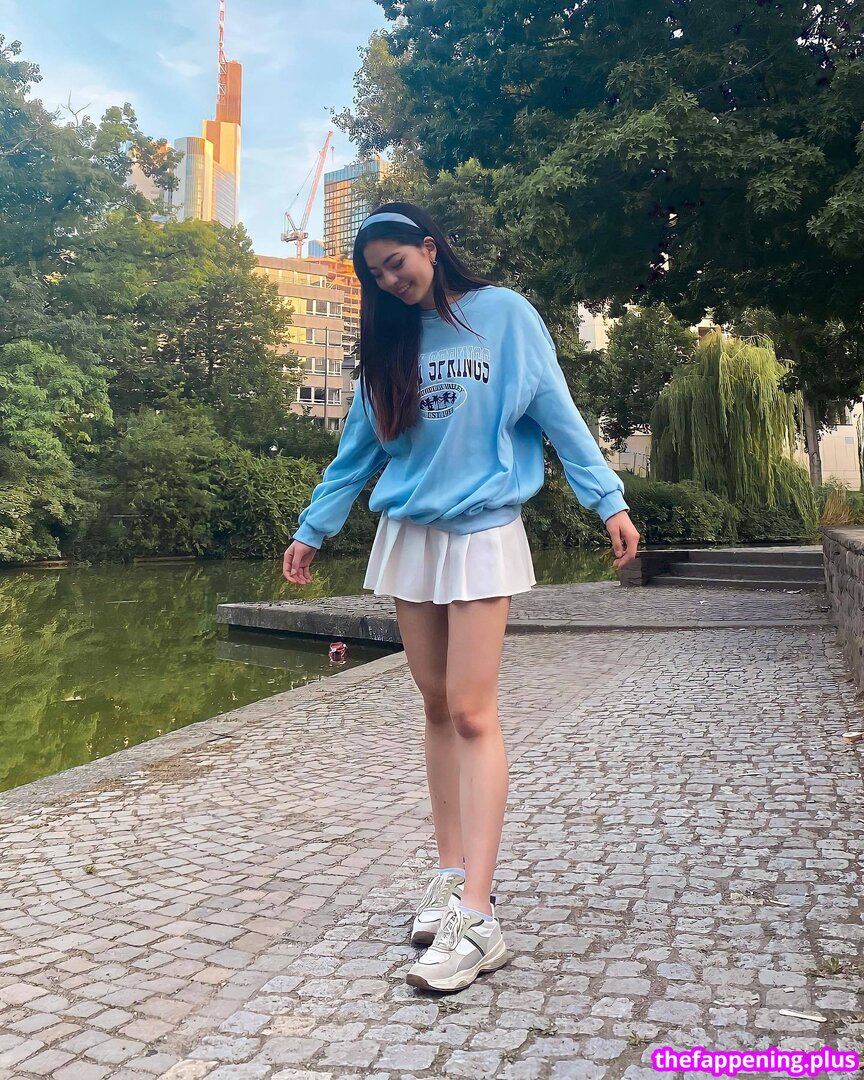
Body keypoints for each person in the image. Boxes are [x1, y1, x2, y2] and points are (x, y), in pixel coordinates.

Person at [283, 202, 640, 993]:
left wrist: (607, 501)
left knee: (475, 712)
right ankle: (449, 876)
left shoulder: (503, 317)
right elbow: (356, 454)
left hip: (482, 530)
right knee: (437, 706)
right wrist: (313, 529)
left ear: (429, 248)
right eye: (375, 274)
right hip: (408, 533)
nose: (390, 279)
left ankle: (478, 916)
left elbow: (558, 413)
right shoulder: (389, 346)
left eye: (396, 262)